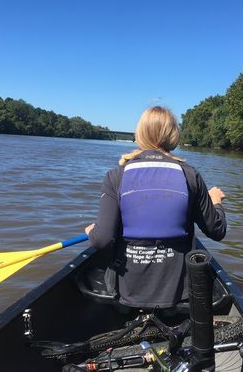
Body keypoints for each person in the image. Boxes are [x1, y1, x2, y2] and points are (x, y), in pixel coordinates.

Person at [85, 106, 227, 309]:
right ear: (174, 136)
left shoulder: (115, 176)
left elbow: (101, 240)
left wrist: (92, 232)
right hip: (177, 292)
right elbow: (217, 230)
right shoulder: (190, 175)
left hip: (127, 292)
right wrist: (216, 202)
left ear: (140, 134)